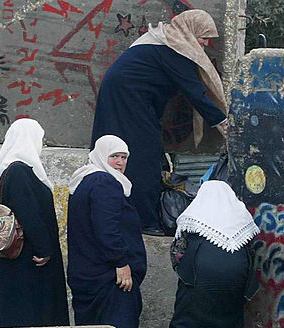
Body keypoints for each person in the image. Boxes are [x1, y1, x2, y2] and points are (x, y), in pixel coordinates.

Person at [90, 9, 229, 234]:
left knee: (144, 153)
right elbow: (195, 92)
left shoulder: (166, 40)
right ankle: (145, 221)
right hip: (128, 98)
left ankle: (136, 215)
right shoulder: (173, 49)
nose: (205, 44)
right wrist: (223, 123)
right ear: (191, 31)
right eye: (203, 37)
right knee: (144, 155)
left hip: (128, 97)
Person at [67, 135, 147, 328]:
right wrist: (121, 263)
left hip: (88, 275)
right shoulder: (105, 182)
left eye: (124, 157)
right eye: (115, 156)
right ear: (102, 156)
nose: (120, 162)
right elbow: (107, 228)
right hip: (109, 279)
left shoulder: (84, 182)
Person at [168, 180, 260, 328]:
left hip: (200, 282)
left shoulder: (193, 217)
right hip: (236, 280)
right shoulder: (241, 217)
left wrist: (183, 272)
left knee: (187, 325)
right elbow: (251, 249)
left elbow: (178, 253)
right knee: (229, 319)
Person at [0, 118, 69, 328]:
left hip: (23, 258)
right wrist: (44, 249)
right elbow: (29, 213)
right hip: (30, 260)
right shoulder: (19, 172)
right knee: (33, 316)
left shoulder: (14, 171)